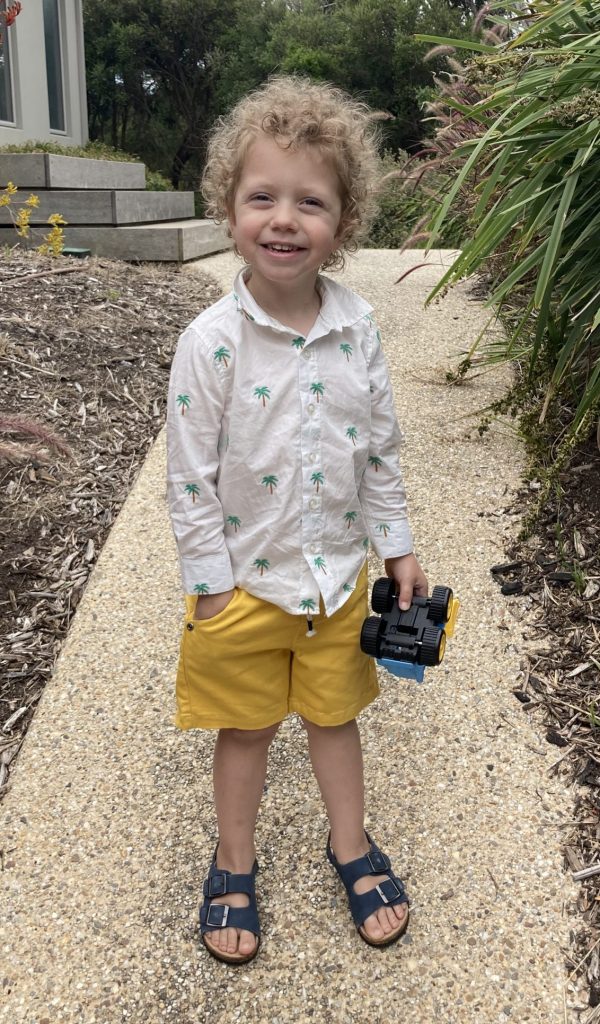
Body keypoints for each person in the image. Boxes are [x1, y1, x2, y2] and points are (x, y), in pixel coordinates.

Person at [166, 76, 428, 965]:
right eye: (261, 197)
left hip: (336, 582)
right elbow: (190, 476)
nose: (284, 218)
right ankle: (232, 860)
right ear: (229, 209)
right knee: (244, 729)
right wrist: (209, 591)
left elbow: (381, 450)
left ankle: (348, 844)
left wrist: (397, 546)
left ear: (343, 223)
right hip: (244, 584)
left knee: (334, 716)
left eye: (310, 201)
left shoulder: (359, 331)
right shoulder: (210, 343)